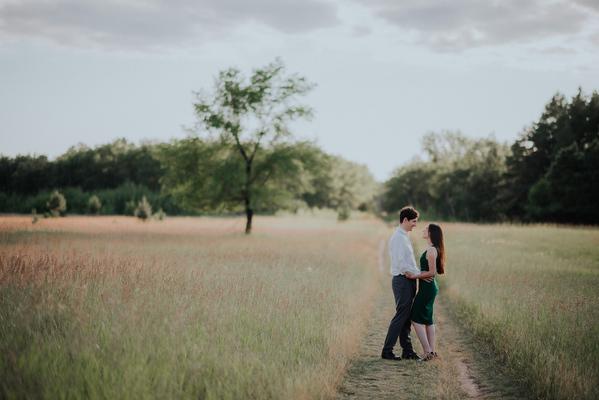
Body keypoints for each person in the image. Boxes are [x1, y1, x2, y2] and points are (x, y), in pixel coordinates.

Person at [381, 206, 431, 361]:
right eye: (414, 221)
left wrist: (419, 274)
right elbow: (401, 264)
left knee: (406, 317)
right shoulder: (398, 238)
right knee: (401, 316)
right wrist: (421, 275)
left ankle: (407, 350)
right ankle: (387, 351)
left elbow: (409, 262)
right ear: (405, 220)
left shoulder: (404, 237)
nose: (415, 225)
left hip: (407, 280)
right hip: (402, 280)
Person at [406, 223, 446, 361]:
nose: (423, 230)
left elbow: (432, 272)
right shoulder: (433, 249)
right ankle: (432, 351)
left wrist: (414, 276)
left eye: (425, 229)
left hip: (427, 288)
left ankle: (427, 351)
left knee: (414, 318)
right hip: (429, 288)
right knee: (428, 320)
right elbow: (428, 271)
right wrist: (421, 273)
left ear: (430, 233)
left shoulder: (431, 250)